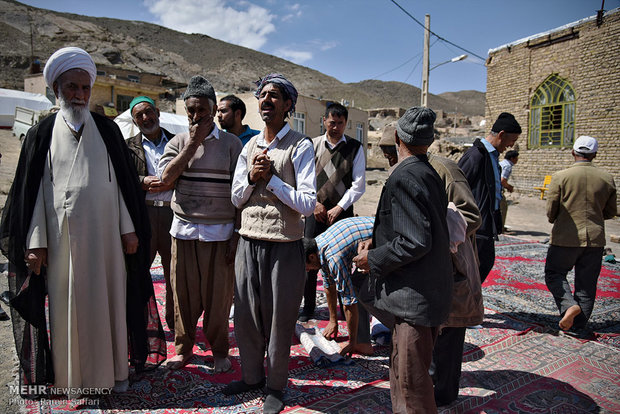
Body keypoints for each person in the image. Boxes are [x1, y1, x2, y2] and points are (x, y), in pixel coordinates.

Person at [0, 47, 165, 394]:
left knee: (111, 307)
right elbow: (31, 195)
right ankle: (75, 382)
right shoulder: (40, 134)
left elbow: (121, 186)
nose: (79, 94)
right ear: (57, 89)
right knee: (68, 312)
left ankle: (116, 375)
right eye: (72, 87)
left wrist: (129, 228)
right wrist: (35, 241)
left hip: (107, 243)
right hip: (63, 245)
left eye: (85, 88)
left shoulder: (107, 131)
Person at [226, 73, 316, 414]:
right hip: (248, 242)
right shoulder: (248, 147)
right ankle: (252, 378)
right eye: (262, 94)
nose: (266, 100)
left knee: (280, 320)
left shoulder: (300, 145)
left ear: (288, 105)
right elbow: (236, 198)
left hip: (284, 245)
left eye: (275, 95)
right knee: (246, 317)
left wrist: (273, 180)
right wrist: (252, 177)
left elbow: (308, 203)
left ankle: (276, 387)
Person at [354, 107, 453, 413]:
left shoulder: (405, 176)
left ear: (397, 137)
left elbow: (415, 240)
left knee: (411, 384)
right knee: (404, 373)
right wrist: (380, 239)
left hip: (415, 298)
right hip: (423, 293)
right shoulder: (428, 172)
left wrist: (374, 257)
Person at [158, 76, 243, 372]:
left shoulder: (232, 145)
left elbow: (241, 194)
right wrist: (193, 142)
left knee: (218, 297)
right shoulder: (178, 142)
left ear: (213, 108)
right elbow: (165, 179)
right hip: (183, 231)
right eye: (191, 111)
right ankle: (183, 349)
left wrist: (236, 235)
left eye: (202, 110)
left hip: (220, 233)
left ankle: (220, 350)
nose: (196, 117)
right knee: (182, 294)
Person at [300, 102, 365, 322]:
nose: (335, 127)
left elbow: (359, 185)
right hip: (314, 212)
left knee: (342, 262)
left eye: (340, 123)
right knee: (309, 260)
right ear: (324, 121)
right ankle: (308, 308)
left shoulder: (355, 148)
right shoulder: (312, 145)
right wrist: (314, 203)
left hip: (342, 215)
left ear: (345, 123)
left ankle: (342, 310)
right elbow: (304, 179)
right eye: (332, 122)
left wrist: (339, 208)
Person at [544, 135, 616, 334]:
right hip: (595, 239)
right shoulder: (607, 178)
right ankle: (578, 327)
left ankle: (568, 306)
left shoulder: (561, 176)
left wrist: (554, 220)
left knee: (554, 273)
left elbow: (552, 209)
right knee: (586, 284)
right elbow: (610, 212)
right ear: (594, 154)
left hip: (565, 237)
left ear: (573, 152)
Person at [427, 153, 483, 406]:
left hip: (451, 264)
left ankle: (444, 394)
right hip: (426, 267)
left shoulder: (445, 170)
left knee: (449, 330)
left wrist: (435, 236)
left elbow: (471, 216)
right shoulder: (405, 168)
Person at [125, 96, 175, 330]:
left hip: (172, 215)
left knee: (174, 272)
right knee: (138, 272)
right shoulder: (128, 147)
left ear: (157, 112)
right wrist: (141, 181)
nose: (146, 118)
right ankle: (142, 327)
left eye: (148, 112)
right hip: (142, 216)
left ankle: (176, 324)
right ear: (135, 121)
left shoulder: (177, 142)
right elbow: (121, 179)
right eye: (139, 116)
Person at [458, 112, 521, 283]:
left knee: (482, 266)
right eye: (511, 141)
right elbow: (457, 187)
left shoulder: (492, 157)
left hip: (486, 225)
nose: (511, 146)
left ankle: (468, 306)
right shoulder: (476, 156)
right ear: (501, 135)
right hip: (475, 227)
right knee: (474, 270)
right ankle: (462, 307)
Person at [302, 216, 375, 356]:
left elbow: (349, 301)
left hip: (389, 240)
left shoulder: (333, 257)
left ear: (311, 257)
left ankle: (399, 330)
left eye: (306, 266)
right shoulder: (319, 246)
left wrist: (351, 343)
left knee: (360, 293)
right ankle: (362, 341)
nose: (306, 270)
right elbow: (329, 285)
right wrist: (333, 321)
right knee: (356, 286)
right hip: (374, 239)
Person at [499, 150, 519, 230]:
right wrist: (509, 187)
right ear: (512, 158)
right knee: (503, 208)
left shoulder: (502, 163)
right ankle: (500, 228)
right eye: (516, 158)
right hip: (498, 190)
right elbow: (502, 180)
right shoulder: (507, 166)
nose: (517, 160)